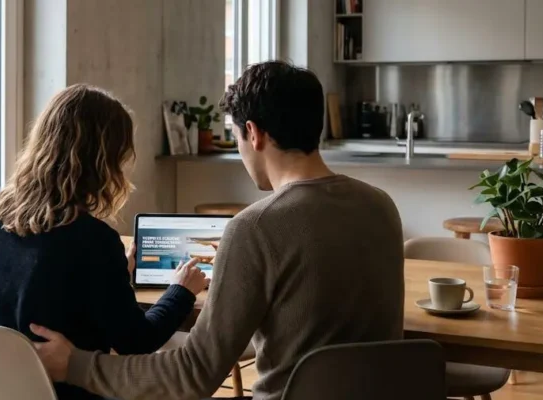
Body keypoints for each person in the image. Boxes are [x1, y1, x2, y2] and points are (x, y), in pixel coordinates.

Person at [30, 61, 405, 400]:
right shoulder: (381, 206)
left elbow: (194, 375)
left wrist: (75, 365)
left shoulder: (255, 228)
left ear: (253, 134)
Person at [0, 84, 210, 400]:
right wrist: (181, 290)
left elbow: (52, 287)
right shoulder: (93, 239)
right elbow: (137, 341)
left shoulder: (1, 218)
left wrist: (114, 272)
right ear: (104, 160)